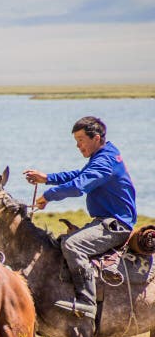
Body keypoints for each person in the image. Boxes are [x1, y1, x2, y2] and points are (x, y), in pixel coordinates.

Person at [23, 116, 136, 319]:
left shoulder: (105, 161)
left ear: (97, 138)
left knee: (73, 245)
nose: (78, 146)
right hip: (105, 221)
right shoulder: (104, 155)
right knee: (64, 241)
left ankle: (87, 301)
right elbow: (79, 174)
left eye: (81, 140)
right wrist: (48, 178)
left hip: (116, 225)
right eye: (76, 141)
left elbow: (78, 185)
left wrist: (48, 195)